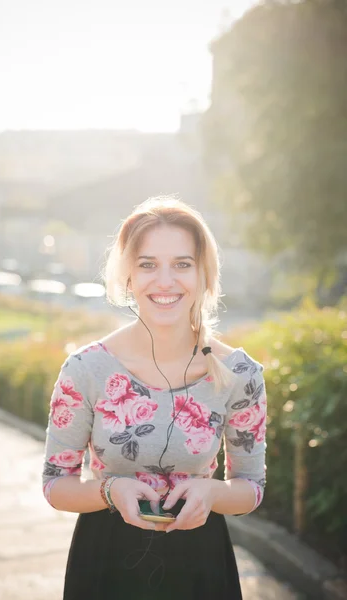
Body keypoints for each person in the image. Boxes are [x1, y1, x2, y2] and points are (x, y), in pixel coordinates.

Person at [42, 196, 267, 600]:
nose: (165, 281)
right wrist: (111, 491)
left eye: (182, 264)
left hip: (202, 564)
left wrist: (214, 492)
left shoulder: (240, 374)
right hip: (104, 561)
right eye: (148, 264)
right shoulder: (85, 370)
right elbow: (56, 485)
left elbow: (251, 486)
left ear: (204, 275)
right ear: (128, 275)